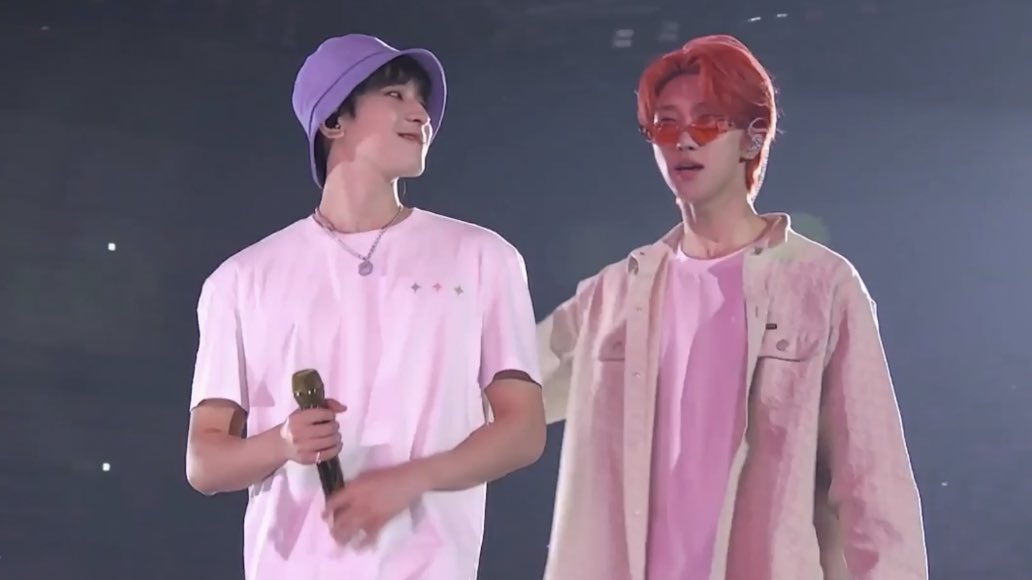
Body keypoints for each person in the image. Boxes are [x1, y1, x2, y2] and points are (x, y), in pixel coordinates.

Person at [538, 34, 927, 580]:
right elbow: (495, 392)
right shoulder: (613, 294)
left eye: (707, 121)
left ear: (753, 138)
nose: (683, 140)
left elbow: (872, 484)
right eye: (666, 124)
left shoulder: (822, 286)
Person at [184, 34, 545, 580]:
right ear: (333, 120)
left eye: (421, 101)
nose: (420, 114)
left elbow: (523, 430)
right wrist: (283, 442)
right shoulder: (239, 280)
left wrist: (412, 478)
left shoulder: (484, 257)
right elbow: (205, 462)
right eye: (396, 95)